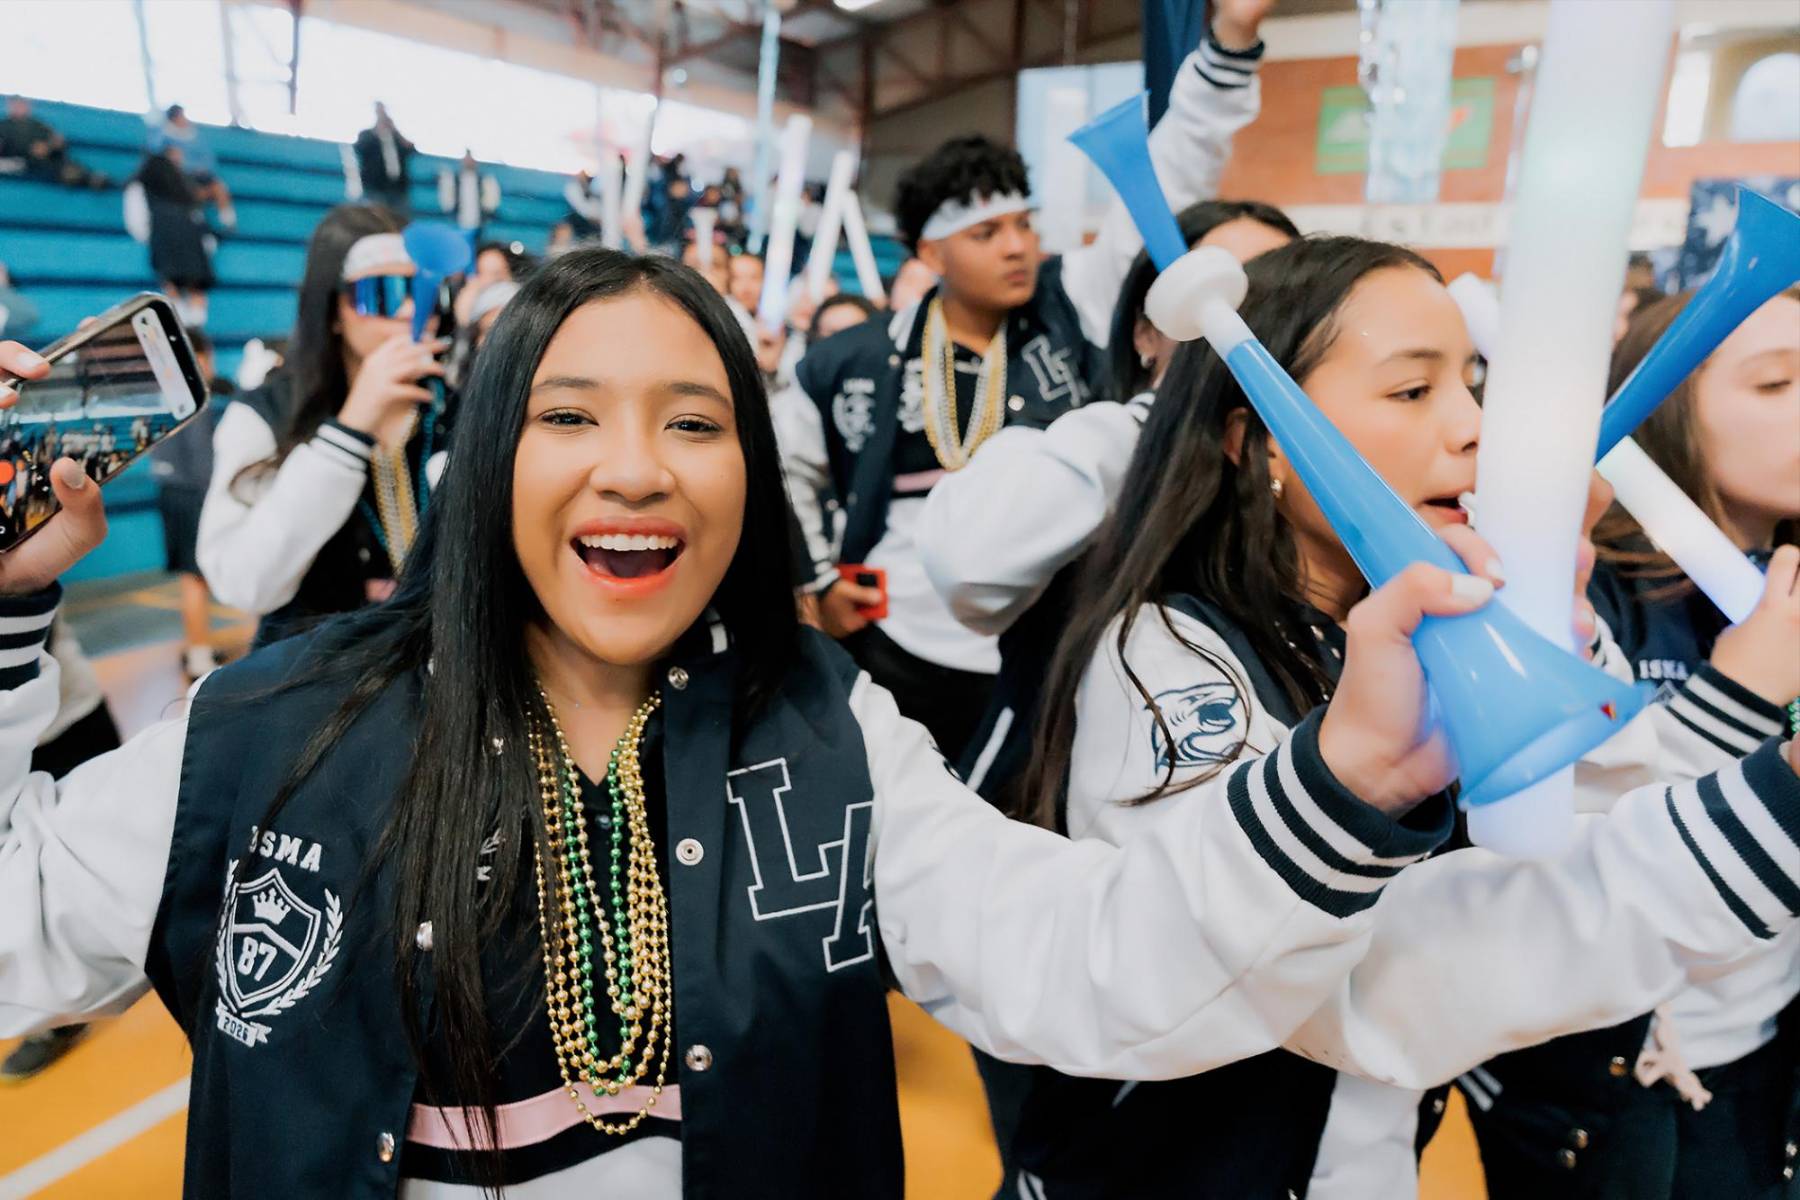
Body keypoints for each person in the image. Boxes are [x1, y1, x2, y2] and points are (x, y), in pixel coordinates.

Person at [0, 253, 1796, 1200]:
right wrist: (16, 624)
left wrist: (1346, 783)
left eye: (694, 421)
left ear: (747, 476)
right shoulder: (265, 733)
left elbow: (1084, 962)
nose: (636, 466)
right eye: (568, 414)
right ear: (488, 468)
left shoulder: (829, 737)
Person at [935, 234, 1800, 1198]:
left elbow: (1558, 844)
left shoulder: (1387, 631)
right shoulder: (1172, 663)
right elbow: (1338, 989)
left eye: (1472, 384)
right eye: (1411, 391)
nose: (1476, 427)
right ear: (1256, 441)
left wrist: (1556, 649)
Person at [782, 0, 1274, 762]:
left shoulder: (1070, 303)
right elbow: (787, 462)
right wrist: (815, 583)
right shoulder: (857, 356)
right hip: (895, 638)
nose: (1017, 247)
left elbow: (1166, 185)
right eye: (986, 233)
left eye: (1024, 224)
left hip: (1050, 631)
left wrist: (1230, 43)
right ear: (930, 252)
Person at [1465, 286, 1800, 1200]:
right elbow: (1569, 851)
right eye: (1776, 384)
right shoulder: (1580, 595)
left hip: (1765, 1060)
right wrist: (1740, 695)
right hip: (1614, 1086)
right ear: (1666, 416)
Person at [196, 204, 449, 647]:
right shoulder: (267, 415)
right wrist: (351, 429)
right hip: (317, 685)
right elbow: (243, 585)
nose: (411, 310)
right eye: (383, 292)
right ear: (333, 311)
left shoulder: (454, 409)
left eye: (425, 290)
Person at [149, 328, 231, 682]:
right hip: (194, 495)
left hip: (170, 492)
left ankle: (198, 650)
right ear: (199, 357)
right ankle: (199, 656)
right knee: (198, 578)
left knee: (191, 577)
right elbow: (201, 460)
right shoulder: (194, 395)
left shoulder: (162, 394)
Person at [123, 147, 215, 329]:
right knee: (192, 284)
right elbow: (197, 217)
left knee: (175, 282)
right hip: (187, 238)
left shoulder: (144, 186)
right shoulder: (181, 186)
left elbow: (136, 219)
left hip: (167, 238)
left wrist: (149, 237)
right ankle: (191, 326)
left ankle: (187, 325)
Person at [148, 105, 234, 230]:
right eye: (181, 116)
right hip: (179, 177)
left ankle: (228, 222)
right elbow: (156, 152)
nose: (185, 119)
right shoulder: (163, 136)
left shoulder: (196, 136)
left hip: (201, 175)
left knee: (218, 188)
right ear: (175, 118)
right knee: (190, 191)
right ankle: (194, 220)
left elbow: (208, 158)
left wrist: (202, 169)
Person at [0, 96, 108, 188]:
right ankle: (81, 178)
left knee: (64, 162)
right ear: (10, 107)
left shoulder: (38, 124)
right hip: (22, 161)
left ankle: (94, 179)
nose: (20, 108)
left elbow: (58, 141)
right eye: (16, 105)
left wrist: (49, 146)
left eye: (22, 105)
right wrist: (30, 150)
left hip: (48, 157)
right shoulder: (4, 126)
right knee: (49, 167)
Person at [354, 102, 416, 214]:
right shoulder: (367, 135)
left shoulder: (396, 139)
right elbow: (360, 148)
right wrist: (378, 130)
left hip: (398, 189)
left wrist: (396, 131)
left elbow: (411, 150)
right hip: (374, 187)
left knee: (400, 220)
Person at [439, 151, 500, 239]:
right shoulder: (454, 179)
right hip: (458, 222)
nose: (469, 162)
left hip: (478, 223)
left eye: (471, 160)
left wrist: (486, 214)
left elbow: (491, 202)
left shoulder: (485, 180)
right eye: (467, 160)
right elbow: (447, 201)